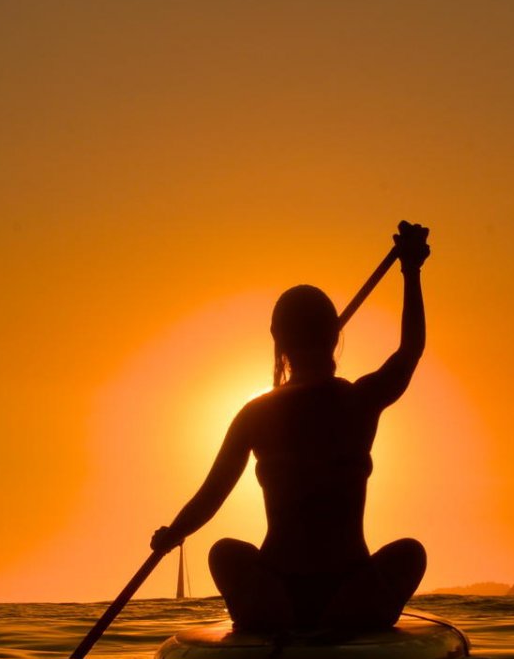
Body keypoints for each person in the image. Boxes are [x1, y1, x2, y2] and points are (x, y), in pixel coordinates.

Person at [151, 222, 431, 633]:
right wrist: (411, 271)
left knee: (223, 554)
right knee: (411, 554)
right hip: (346, 589)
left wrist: (174, 533)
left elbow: (210, 498)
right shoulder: (359, 400)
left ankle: (289, 621)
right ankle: (336, 622)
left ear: (278, 341)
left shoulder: (256, 414)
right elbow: (410, 351)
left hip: (280, 591)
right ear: (334, 336)